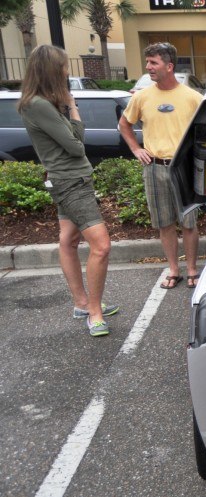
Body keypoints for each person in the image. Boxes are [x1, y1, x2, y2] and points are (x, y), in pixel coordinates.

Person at [18, 45, 119, 337]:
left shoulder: (44, 104)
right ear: (51, 70)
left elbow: (74, 139)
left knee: (68, 240)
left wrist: (67, 107)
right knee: (101, 246)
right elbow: (76, 146)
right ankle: (94, 313)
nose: (67, 71)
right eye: (63, 66)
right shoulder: (38, 104)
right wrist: (73, 108)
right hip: (71, 181)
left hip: (67, 179)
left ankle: (81, 303)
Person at [119, 42, 203, 289]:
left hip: (183, 168)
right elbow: (124, 125)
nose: (148, 67)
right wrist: (136, 149)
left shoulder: (193, 98)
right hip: (154, 167)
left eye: (153, 63)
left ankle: (191, 269)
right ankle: (174, 269)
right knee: (164, 223)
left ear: (169, 66)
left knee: (189, 222)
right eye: (148, 62)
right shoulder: (143, 97)